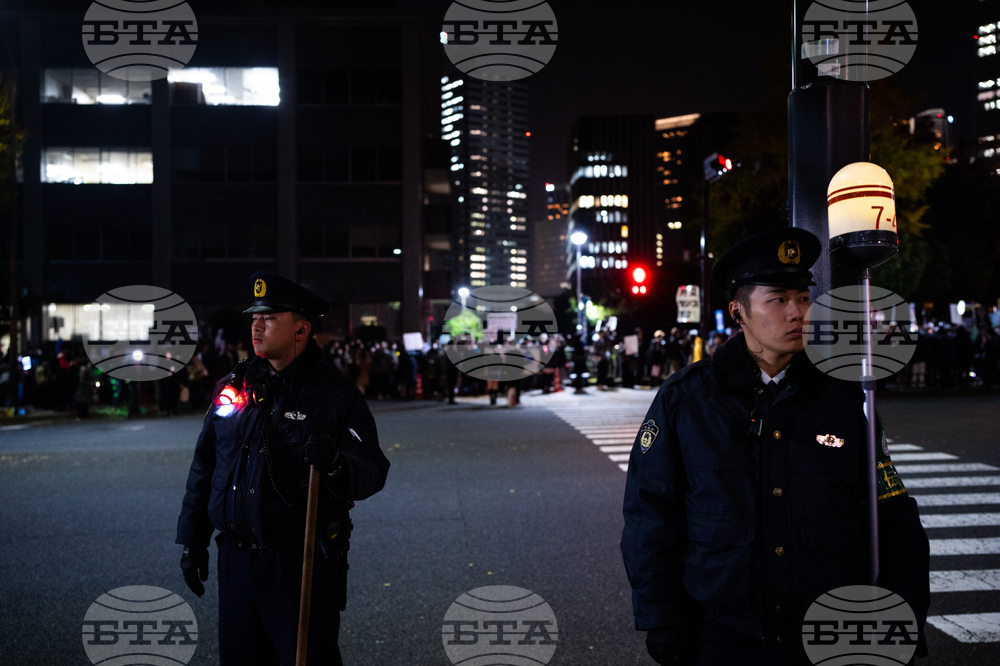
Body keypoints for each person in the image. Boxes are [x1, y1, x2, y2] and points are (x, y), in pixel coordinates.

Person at [620, 228, 930, 665]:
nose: (797, 312)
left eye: (803, 297)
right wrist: (661, 616)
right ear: (738, 312)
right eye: (778, 300)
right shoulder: (685, 401)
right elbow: (649, 515)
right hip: (721, 636)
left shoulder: (842, 399)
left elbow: (891, 517)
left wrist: (904, 619)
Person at [176, 270, 390, 666]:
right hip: (236, 560)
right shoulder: (235, 386)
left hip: (298, 562)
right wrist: (193, 538)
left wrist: (336, 464)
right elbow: (206, 463)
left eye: (270, 317)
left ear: (302, 330)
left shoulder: (334, 394)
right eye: (255, 316)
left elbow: (373, 469)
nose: (257, 324)